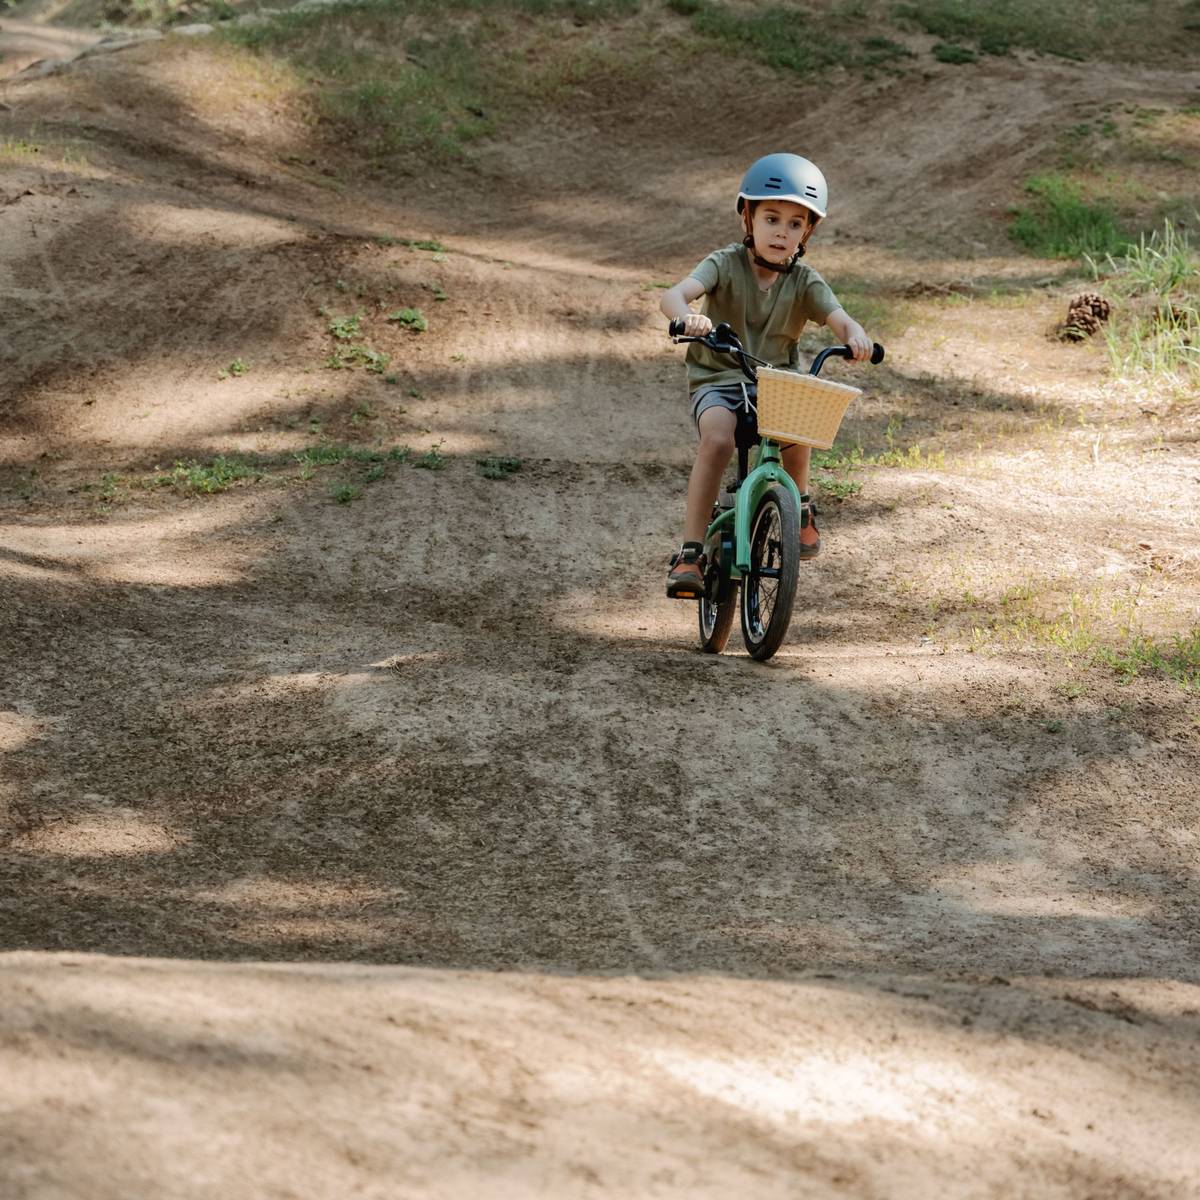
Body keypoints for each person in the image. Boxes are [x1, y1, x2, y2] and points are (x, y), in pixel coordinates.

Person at [660, 152, 873, 599]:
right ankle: (691, 551)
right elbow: (675, 295)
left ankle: (801, 505)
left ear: (808, 231)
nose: (782, 231)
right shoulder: (724, 263)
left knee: (800, 430)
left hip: (776, 386)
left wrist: (856, 337)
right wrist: (686, 318)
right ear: (748, 216)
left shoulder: (805, 281)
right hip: (718, 379)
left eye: (796, 224)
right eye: (772, 218)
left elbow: (840, 319)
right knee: (718, 439)